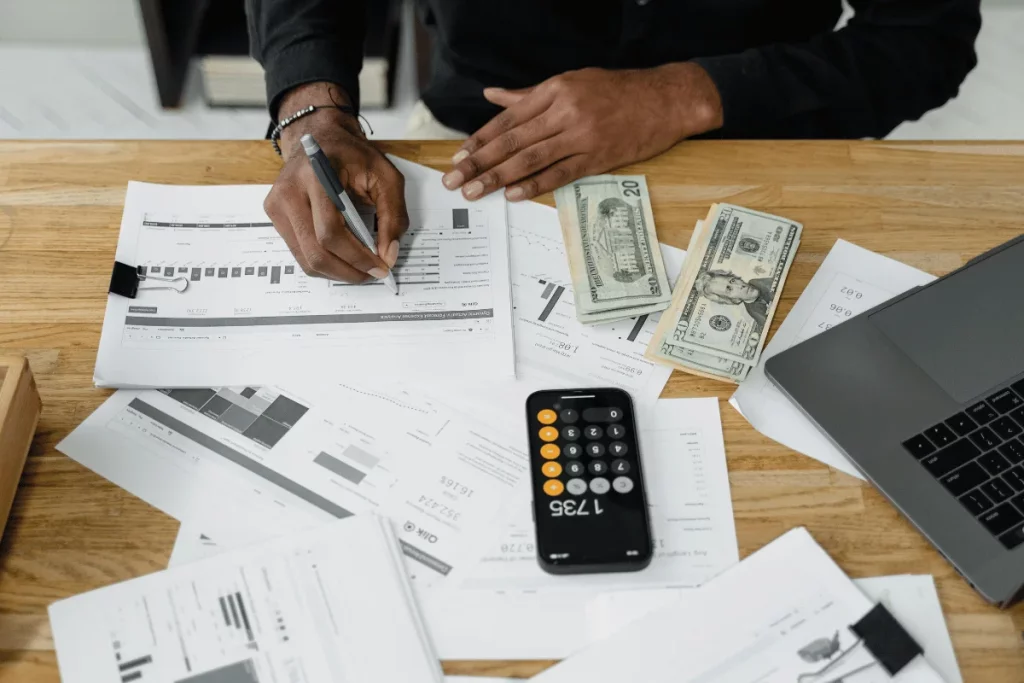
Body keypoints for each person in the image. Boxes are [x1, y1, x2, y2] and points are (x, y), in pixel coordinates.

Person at [249, 0, 981, 283]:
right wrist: (312, 113)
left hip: (758, 130)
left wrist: (681, 94)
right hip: (477, 137)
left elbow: (927, 42)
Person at [693, 270, 773, 328]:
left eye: (732, 280)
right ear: (733, 300)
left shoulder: (757, 282)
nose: (740, 286)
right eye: (729, 289)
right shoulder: (755, 312)